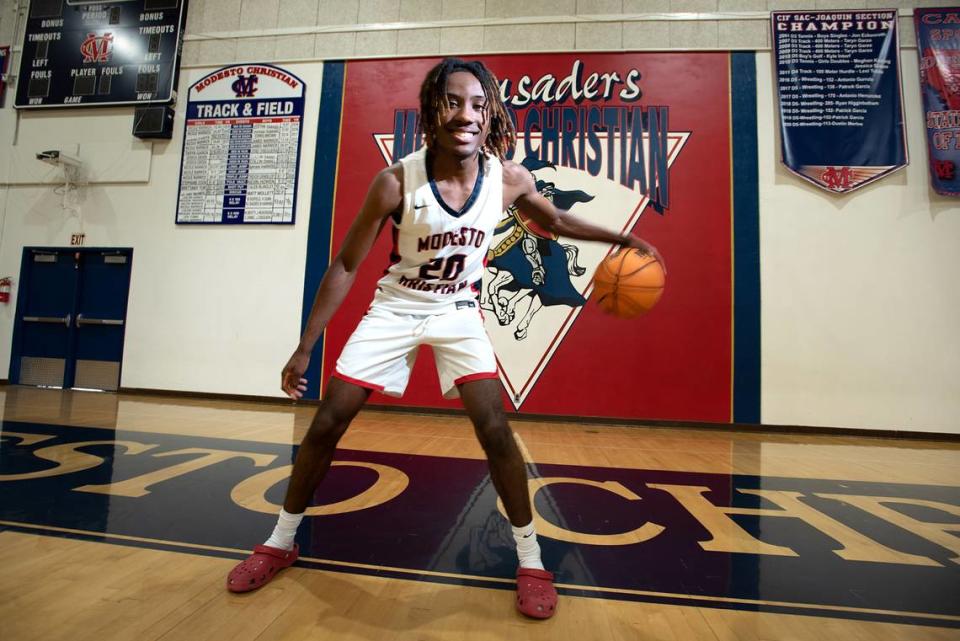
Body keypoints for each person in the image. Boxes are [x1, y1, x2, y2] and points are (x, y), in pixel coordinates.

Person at [226, 57, 663, 620]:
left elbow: (555, 222)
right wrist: (306, 344)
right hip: (397, 306)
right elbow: (345, 264)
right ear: (432, 109)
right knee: (329, 420)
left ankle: (531, 559)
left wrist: (624, 238)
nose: (467, 114)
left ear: (491, 115)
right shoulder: (394, 181)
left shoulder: (507, 179)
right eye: (454, 101)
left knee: (495, 429)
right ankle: (280, 542)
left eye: (479, 105)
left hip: (458, 310)